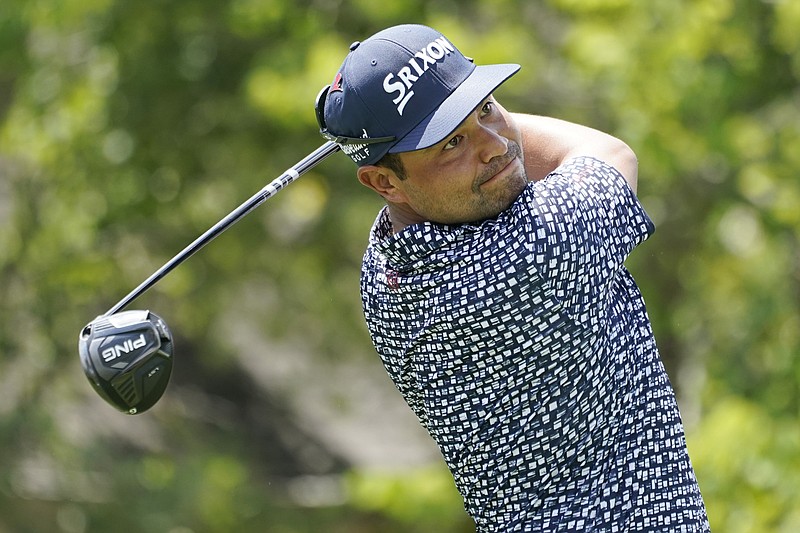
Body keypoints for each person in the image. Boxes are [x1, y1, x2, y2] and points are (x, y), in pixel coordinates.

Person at [315, 24, 710, 532]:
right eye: (451, 141)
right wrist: (455, 98)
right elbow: (612, 155)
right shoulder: (531, 252)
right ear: (384, 181)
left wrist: (436, 113)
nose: (496, 144)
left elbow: (474, 156)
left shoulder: (384, 267)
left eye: (487, 107)